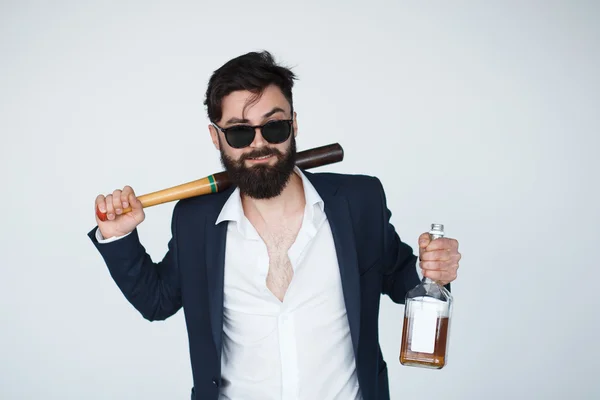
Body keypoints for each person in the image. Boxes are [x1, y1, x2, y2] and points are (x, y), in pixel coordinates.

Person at [88, 51, 461, 400]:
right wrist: (118, 235)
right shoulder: (195, 219)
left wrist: (434, 270)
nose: (259, 144)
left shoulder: (359, 201)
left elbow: (402, 279)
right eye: (239, 132)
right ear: (215, 137)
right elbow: (158, 302)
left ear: (295, 123)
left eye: (275, 127)